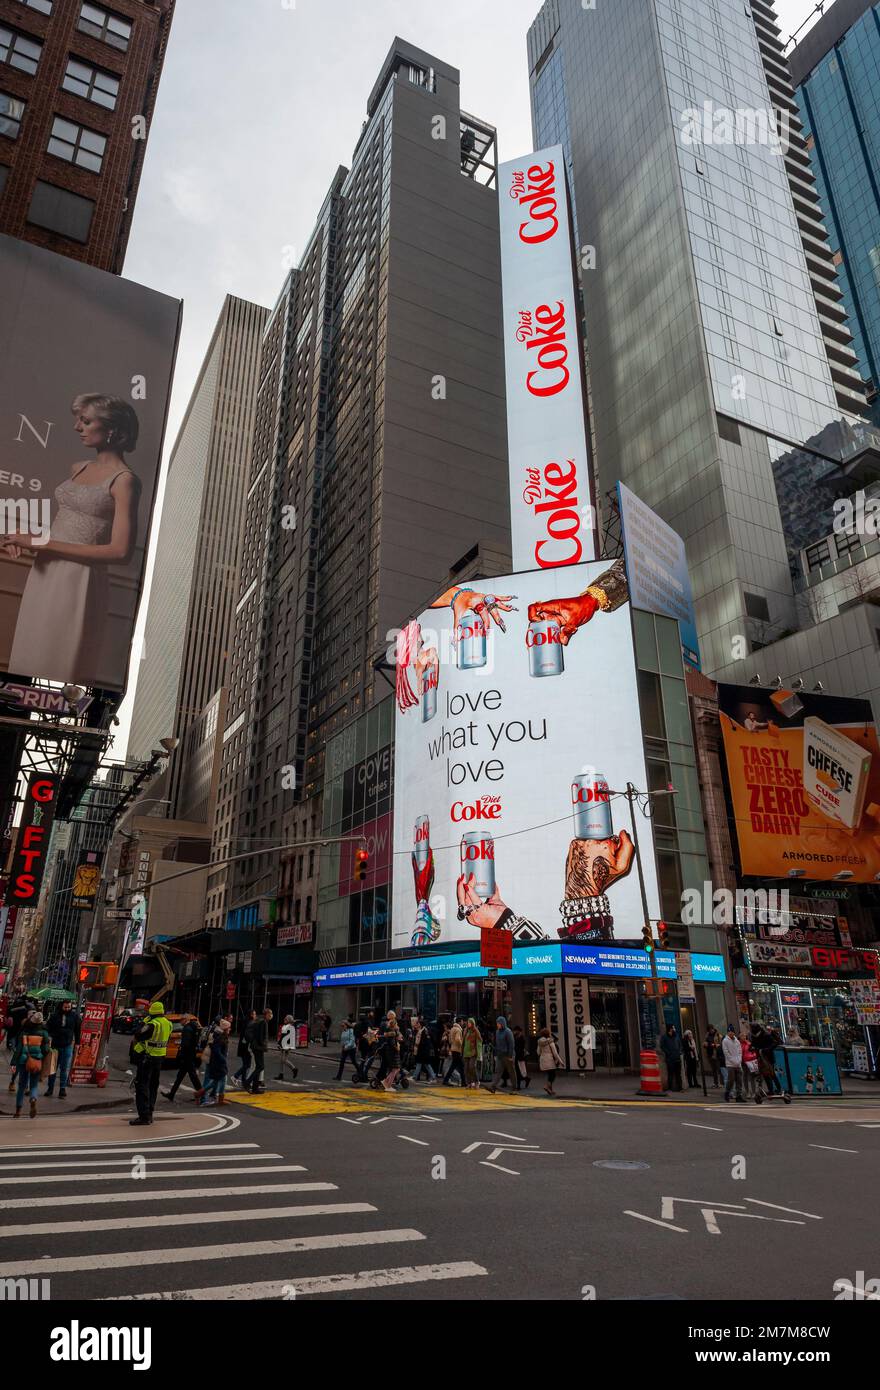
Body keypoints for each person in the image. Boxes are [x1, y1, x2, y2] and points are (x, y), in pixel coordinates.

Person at [5, 394, 141, 687]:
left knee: (57, 662)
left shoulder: (125, 480)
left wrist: (40, 543)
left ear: (113, 430)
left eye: (86, 421)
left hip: (79, 581)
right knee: (27, 657)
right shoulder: (77, 467)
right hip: (44, 573)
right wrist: (18, 539)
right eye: (78, 419)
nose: (77, 427)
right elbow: (62, 528)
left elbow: (120, 552)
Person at [129, 1000, 172, 1126]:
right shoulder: (168, 1024)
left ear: (152, 1012)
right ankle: (150, 1113)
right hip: (160, 1058)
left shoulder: (153, 1024)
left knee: (142, 1086)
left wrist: (143, 1022)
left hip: (147, 1058)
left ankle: (144, 1116)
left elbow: (138, 1034)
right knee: (153, 1085)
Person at [11, 1011, 50, 1119]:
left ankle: (18, 1111)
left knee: (22, 1086)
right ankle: (33, 1098)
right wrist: (40, 1055)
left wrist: (13, 1062)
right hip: (36, 1061)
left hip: (23, 1061)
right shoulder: (44, 1033)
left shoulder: (24, 1032)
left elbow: (18, 1049)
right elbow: (46, 1049)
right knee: (34, 1085)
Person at [45, 999, 81, 1099]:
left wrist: (77, 1043)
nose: (67, 1009)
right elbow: (48, 1027)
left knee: (64, 1069)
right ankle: (50, 1089)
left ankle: (62, 1089)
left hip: (67, 1046)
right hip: (55, 1046)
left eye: (69, 1007)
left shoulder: (74, 1016)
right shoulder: (55, 1016)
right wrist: (48, 1036)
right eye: (65, 1007)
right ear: (61, 1006)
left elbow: (78, 1030)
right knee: (53, 1069)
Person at [162, 1015, 202, 1101]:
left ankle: (201, 1093)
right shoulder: (192, 1028)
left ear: (185, 1020)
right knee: (180, 1076)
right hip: (190, 1055)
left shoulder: (187, 1029)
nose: (180, 1022)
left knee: (193, 1076)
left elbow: (186, 1044)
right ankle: (171, 1094)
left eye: (181, 1020)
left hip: (187, 1056)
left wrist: (181, 1051)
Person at [201, 1020, 231, 1105]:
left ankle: (201, 1094)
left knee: (216, 1080)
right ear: (225, 1028)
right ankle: (203, 1096)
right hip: (217, 1061)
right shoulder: (220, 1036)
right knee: (219, 1079)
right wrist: (223, 1059)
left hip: (215, 1060)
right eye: (229, 1028)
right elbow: (216, 1050)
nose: (230, 1029)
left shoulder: (220, 1035)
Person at [487, 1016, 517, 1093]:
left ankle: (514, 1087)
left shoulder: (508, 1032)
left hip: (508, 1055)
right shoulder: (497, 1032)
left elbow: (511, 1044)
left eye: (498, 1023)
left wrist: (510, 1055)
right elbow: (497, 1044)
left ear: (502, 1023)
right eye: (497, 1023)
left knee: (511, 1071)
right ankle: (493, 1086)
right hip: (500, 1055)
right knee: (498, 1071)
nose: (497, 1025)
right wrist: (496, 1053)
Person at [248, 1009, 272, 1093]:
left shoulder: (259, 1020)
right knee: (260, 1066)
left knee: (259, 1066)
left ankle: (255, 1088)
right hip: (258, 1047)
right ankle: (248, 1082)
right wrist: (264, 1046)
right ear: (266, 1014)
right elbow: (261, 1036)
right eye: (270, 1014)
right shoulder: (263, 1022)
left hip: (256, 1046)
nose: (271, 1016)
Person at [233, 1011, 257, 1089]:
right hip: (246, 1046)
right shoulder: (250, 1023)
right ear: (251, 1015)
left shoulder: (246, 1022)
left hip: (242, 1045)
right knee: (247, 1064)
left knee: (245, 1065)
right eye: (254, 1014)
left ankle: (244, 1082)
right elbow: (248, 1035)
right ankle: (235, 1076)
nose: (255, 1015)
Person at [537, 1026, 563, 1095]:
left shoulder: (539, 1042)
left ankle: (550, 1090)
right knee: (553, 1075)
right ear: (548, 1034)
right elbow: (555, 1053)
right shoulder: (551, 1042)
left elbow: (538, 1052)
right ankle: (547, 1086)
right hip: (550, 1060)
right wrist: (561, 1062)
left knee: (550, 1074)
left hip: (543, 1061)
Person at [722, 1024, 745, 1102]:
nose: (731, 1033)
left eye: (732, 1032)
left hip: (738, 1064)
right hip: (730, 1064)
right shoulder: (725, 1041)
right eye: (729, 1032)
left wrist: (739, 1060)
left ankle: (739, 1096)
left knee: (739, 1081)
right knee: (730, 1080)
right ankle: (727, 1093)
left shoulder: (737, 1041)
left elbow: (740, 1051)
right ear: (728, 1032)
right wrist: (733, 1061)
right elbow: (726, 1053)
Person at [411, 1016, 437, 1083]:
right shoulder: (421, 1031)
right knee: (423, 1064)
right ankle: (432, 1078)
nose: (417, 1024)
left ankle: (415, 1077)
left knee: (424, 1064)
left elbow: (425, 1042)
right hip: (423, 1051)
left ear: (421, 1024)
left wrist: (420, 1048)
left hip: (424, 1051)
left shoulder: (424, 1031)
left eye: (418, 1023)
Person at [381, 1012, 402, 1091]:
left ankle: (386, 1082)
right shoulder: (392, 1032)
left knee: (395, 1069)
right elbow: (392, 1043)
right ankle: (388, 1085)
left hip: (390, 1052)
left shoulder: (390, 1031)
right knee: (395, 1069)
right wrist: (397, 1047)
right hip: (393, 1052)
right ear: (394, 1025)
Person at [443, 1017, 466, 1087]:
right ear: (459, 1022)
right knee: (460, 1066)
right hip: (457, 1050)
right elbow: (457, 1039)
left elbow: (450, 1040)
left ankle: (446, 1080)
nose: (463, 1023)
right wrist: (461, 1045)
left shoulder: (452, 1029)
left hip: (453, 1049)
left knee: (454, 1066)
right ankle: (463, 1082)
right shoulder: (458, 1030)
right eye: (462, 1021)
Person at [277, 1014, 300, 1082]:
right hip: (283, 1045)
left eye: (286, 1019)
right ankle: (281, 1074)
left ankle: (294, 1069)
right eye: (284, 1019)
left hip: (286, 1046)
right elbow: (282, 1037)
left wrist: (288, 1047)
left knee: (284, 1060)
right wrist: (279, 1044)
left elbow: (290, 1038)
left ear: (289, 1021)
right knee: (281, 1060)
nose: (284, 1020)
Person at [660, 1024, 682, 1092]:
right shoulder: (664, 1037)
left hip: (677, 1057)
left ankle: (679, 1088)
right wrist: (668, 1052)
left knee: (678, 1074)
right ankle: (670, 1088)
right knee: (671, 1073)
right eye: (673, 1028)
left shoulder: (676, 1036)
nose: (674, 1029)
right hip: (670, 1058)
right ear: (670, 1029)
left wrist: (680, 1051)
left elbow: (680, 1044)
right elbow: (662, 1046)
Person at [740, 1030, 761, 1100]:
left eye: (745, 1036)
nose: (744, 1037)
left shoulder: (748, 1044)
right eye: (742, 1036)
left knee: (751, 1077)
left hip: (749, 1062)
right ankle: (747, 1092)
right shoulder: (738, 1044)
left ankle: (754, 1092)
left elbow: (753, 1052)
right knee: (745, 1077)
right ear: (740, 1037)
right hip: (742, 1063)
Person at [463, 1017, 483, 1088]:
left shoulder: (476, 1031)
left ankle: (476, 1081)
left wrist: (479, 1053)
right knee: (466, 1068)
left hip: (473, 1052)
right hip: (466, 1052)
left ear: (472, 1023)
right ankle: (469, 1082)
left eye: (469, 1022)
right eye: (468, 1022)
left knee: (472, 1067)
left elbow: (479, 1042)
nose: (468, 1024)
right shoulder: (465, 1031)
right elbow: (464, 1042)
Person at [512, 1025, 530, 1090]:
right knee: (518, 1071)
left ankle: (520, 1084)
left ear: (518, 1031)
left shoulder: (522, 1038)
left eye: (515, 1031)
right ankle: (526, 1079)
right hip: (516, 1056)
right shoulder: (515, 1037)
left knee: (520, 1071)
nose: (514, 1032)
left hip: (520, 1056)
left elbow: (521, 1047)